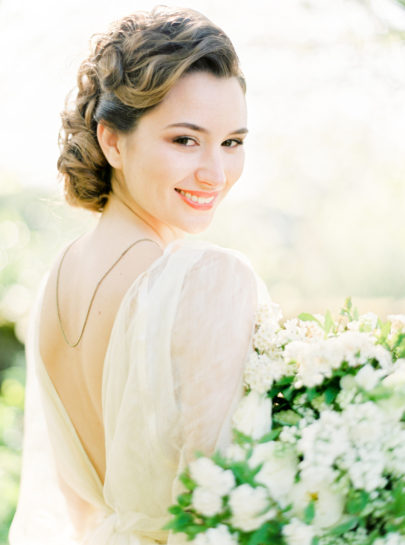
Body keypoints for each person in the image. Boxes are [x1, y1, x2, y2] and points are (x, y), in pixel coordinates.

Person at [9, 6, 271, 545]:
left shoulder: (55, 284)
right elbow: (220, 507)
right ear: (112, 141)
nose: (215, 173)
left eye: (232, 142)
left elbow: (81, 509)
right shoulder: (207, 280)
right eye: (185, 140)